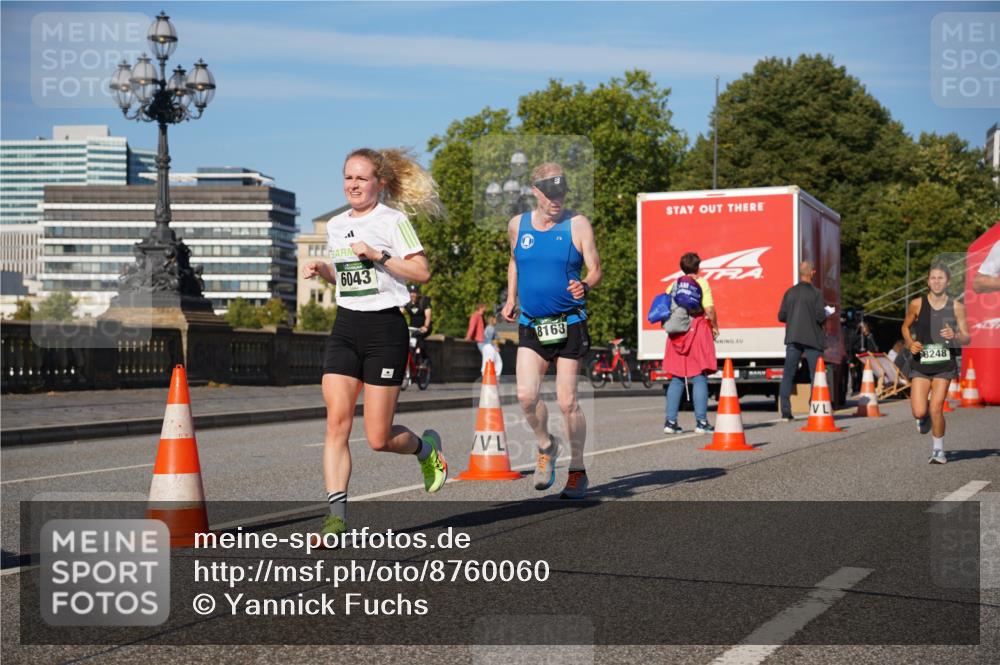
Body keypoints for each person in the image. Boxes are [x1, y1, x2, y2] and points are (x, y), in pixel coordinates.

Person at [301, 147, 447, 541]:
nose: (353, 184)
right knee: (337, 423)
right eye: (348, 177)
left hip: (385, 330)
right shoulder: (335, 226)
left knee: (379, 438)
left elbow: (421, 271)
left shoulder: (393, 220)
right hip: (346, 327)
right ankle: (336, 519)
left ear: (378, 184)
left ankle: (425, 449)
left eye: (361, 178)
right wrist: (323, 270)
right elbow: (348, 277)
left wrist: (379, 255)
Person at [501, 162, 601, 499]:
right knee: (526, 397)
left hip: (570, 323)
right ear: (536, 192)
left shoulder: (577, 224)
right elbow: (515, 261)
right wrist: (511, 297)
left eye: (562, 192)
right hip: (532, 322)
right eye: (550, 193)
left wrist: (585, 285)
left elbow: (595, 268)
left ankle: (577, 470)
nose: (557, 199)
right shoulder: (518, 225)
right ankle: (546, 445)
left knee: (567, 401)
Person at [902, 263, 970, 464]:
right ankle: (924, 418)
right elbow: (905, 328)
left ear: (947, 281)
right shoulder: (917, 304)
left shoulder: (957, 307)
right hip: (921, 364)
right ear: (927, 282)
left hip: (944, 365)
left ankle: (939, 451)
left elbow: (967, 338)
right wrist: (910, 343)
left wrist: (955, 334)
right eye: (933, 278)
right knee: (919, 411)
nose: (937, 281)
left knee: (937, 407)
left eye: (941, 278)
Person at [662, 252, 719, 435]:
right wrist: (715, 326)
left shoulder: (673, 285)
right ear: (698, 267)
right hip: (697, 331)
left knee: (677, 378)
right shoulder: (701, 283)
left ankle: (670, 423)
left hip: (677, 334)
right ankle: (701, 422)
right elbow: (709, 309)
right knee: (699, 376)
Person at [777, 260, 831, 421]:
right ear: (812, 273)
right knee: (816, 374)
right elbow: (820, 316)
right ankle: (814, 406)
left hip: (793, 338)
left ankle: (786, 411)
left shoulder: (790, 292)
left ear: (801, 274)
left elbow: (781, 316)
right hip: (812, 339)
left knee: (788, 374)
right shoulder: (816, 293)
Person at [402, 284, 431, 359]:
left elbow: (428, 317)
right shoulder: (407, 303)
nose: (412, 295)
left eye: (414, 292)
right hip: (412, 327)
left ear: (418, 293)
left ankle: (424, 359)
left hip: (424, 327)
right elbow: (400, 312)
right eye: (410, 293)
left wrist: (425, 326)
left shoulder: (423, 302)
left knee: (418, 337)